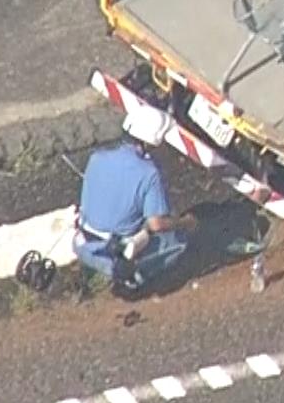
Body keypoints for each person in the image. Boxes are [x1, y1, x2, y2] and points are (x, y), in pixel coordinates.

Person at [74, 104, 195, 295]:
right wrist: (185, 222)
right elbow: (156, 224)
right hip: (115, 257)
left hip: (82, 243)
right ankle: (134, 278)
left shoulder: (96, 158)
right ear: (152, 141)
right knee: (178, 240)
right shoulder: (149, 174)